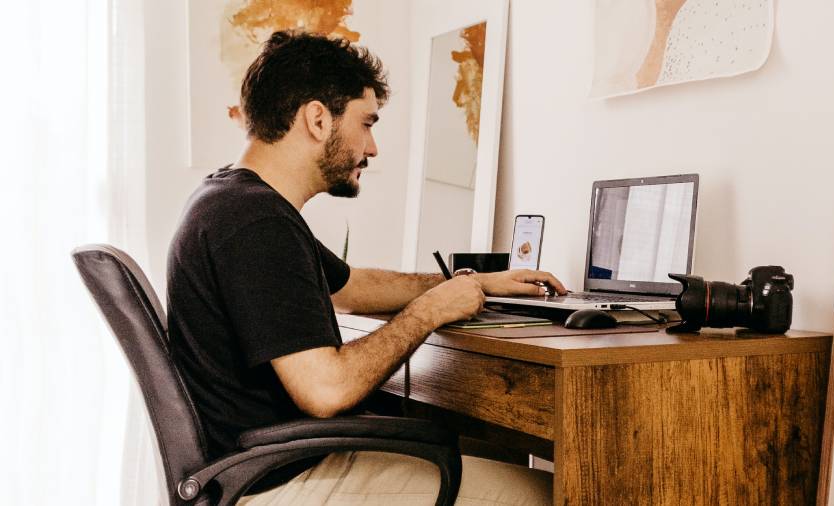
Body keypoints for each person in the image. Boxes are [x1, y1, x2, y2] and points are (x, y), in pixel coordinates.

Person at [167, 30, 567, 505]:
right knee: (551, 493)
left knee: (485, 450)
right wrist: (428, 313)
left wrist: (474, 281)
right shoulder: (256, 222)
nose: (372, 147)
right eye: (367, 122)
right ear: (317, 119)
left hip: (258, 464)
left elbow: (352, 287)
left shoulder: (232, 199)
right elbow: (327, 389)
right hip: (280, 481)